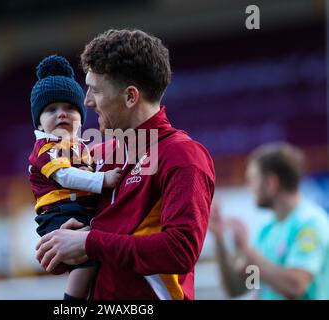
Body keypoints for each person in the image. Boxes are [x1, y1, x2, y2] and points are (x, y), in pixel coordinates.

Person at [35, 29, 215, 300]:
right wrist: (62, 239)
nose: (87, 101)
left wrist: (89, 242)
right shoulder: (96, 155)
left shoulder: (183, 155)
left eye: (95, 90)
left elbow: (180, 251)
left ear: (131, 97)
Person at [28, 55, 122, 300]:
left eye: (70, 108)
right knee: (86, 262)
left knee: (94, 259)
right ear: (39, 122)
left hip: (77, 209)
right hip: (59, 212)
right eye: (51, 110)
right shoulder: (46, 148)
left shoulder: (80, 146)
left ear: (81, 116)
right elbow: (66, 177)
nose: (62, 114)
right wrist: (104, 180)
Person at [209, 142, 329, 299]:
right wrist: (219, 239)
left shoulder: (311, 223)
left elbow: (295, 285)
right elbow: (238, 287)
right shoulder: (267, 230)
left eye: (252, 179)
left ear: (271, 183)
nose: (249, 187)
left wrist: (246, 250)